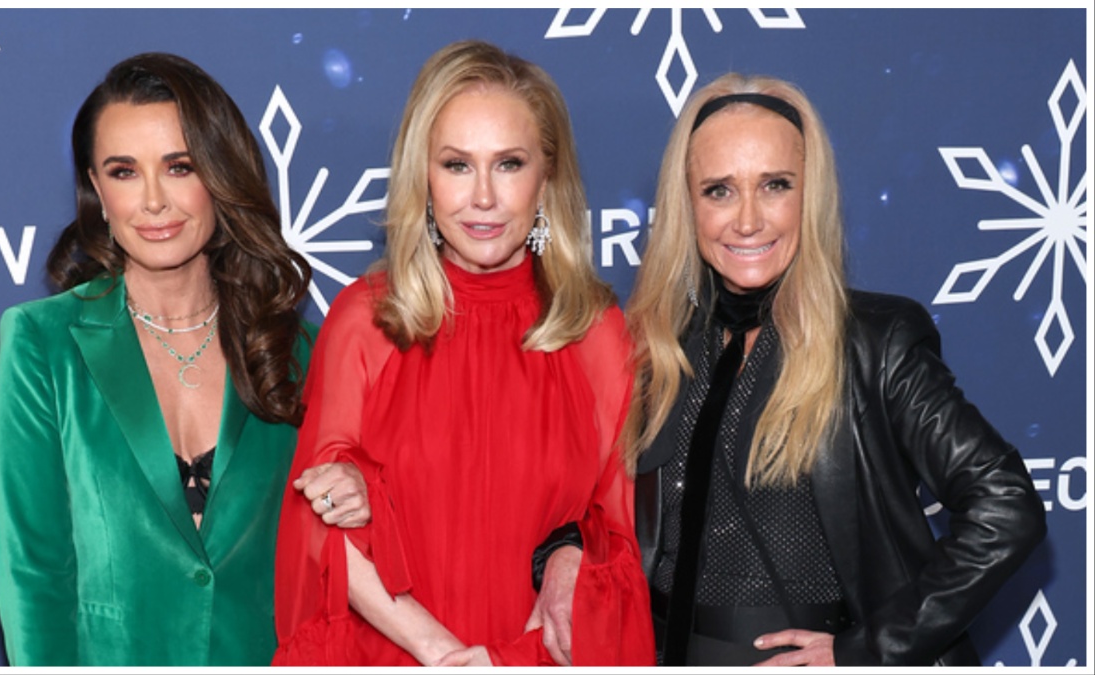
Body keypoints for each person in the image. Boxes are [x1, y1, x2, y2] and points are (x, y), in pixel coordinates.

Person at [538, 72, 1047, 666]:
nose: (747, 220)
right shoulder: (657, 348)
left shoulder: (875, 343)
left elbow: (1006, 507)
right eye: (719, 190)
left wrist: (865, 651)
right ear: (687, 205)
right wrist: (566, 550)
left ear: (811, 195)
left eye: (775, 185)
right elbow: (599, 504)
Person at [270, 40, 654, 667]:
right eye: (456, 165)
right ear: (423, 175)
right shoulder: (365, 321)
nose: (482, 197)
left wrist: (514, 646)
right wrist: (447, 656)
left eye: (508, 164)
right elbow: (318, 531)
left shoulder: (594, 331)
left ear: (547, 177)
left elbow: (620, 539)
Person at [0, 52, 368, 667]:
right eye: (124, 172)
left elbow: (340, 551)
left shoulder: (295, 351)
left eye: (179, 166)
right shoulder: (42, 343)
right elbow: (34, 574)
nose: (154, 201)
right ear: (97, 190)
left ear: (220, 175)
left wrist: (358, 495)